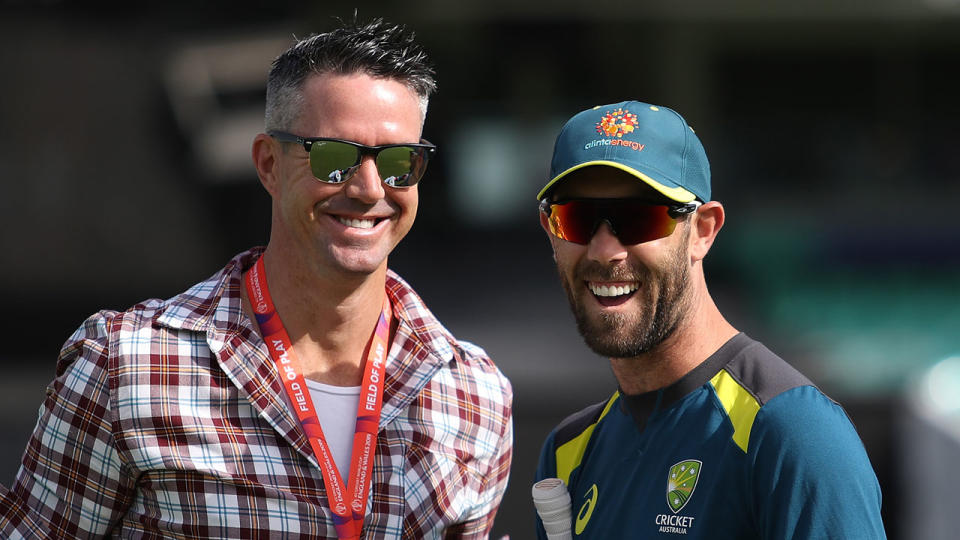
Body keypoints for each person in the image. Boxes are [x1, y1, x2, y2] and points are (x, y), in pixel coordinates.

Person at [0, 18, 513, 539]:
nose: (368, 186)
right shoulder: (126, 365)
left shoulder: (474, 394)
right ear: (269, 164)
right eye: (334, 158)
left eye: (400, 161)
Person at [532, 101, 885, 539]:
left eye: (639, 218)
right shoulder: (569, 452)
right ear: (550, 230)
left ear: (703, 231)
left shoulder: (793, 433)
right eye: (577, 219)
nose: (605, 251)